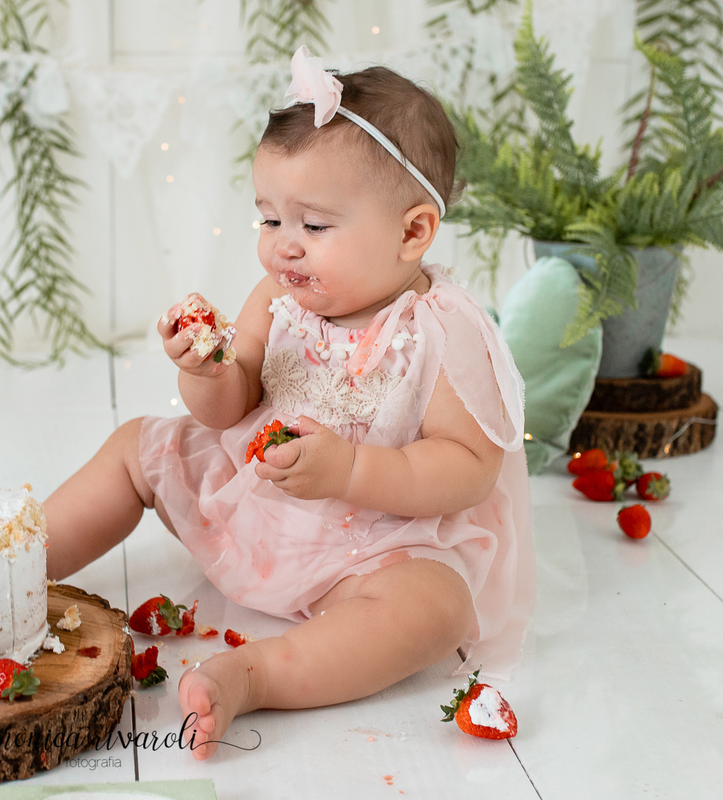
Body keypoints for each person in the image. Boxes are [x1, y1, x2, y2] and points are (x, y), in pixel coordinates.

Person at [43, 46, 535, 760]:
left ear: (412, 232)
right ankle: (11, 567)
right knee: (134, 447)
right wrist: (207, 372)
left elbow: (469, 468)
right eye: (269, 220)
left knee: (436, 609)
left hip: (372, 546)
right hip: (255, 503)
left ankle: (258, 674)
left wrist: (351, 473)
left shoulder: (443, 329)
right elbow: (231, 399)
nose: (283, 249)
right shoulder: (278, 300)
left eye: (313, 225)